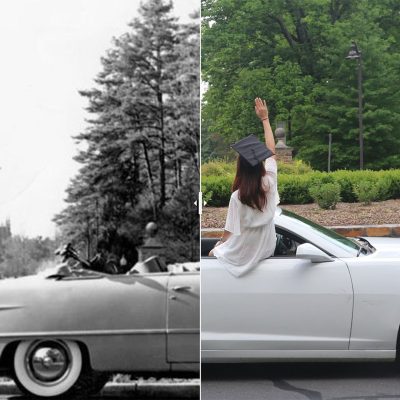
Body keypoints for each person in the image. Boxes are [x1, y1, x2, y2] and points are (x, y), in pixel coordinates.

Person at [209, 98, 280, 277]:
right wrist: (265, 119)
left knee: (211, 254)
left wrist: (218, 245)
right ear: (259, 165)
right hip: (266, 249)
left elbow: (229, 233)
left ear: (241, 168)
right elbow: (271, 151)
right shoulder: (269, 184)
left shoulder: (238, 197)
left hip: (243, 251)